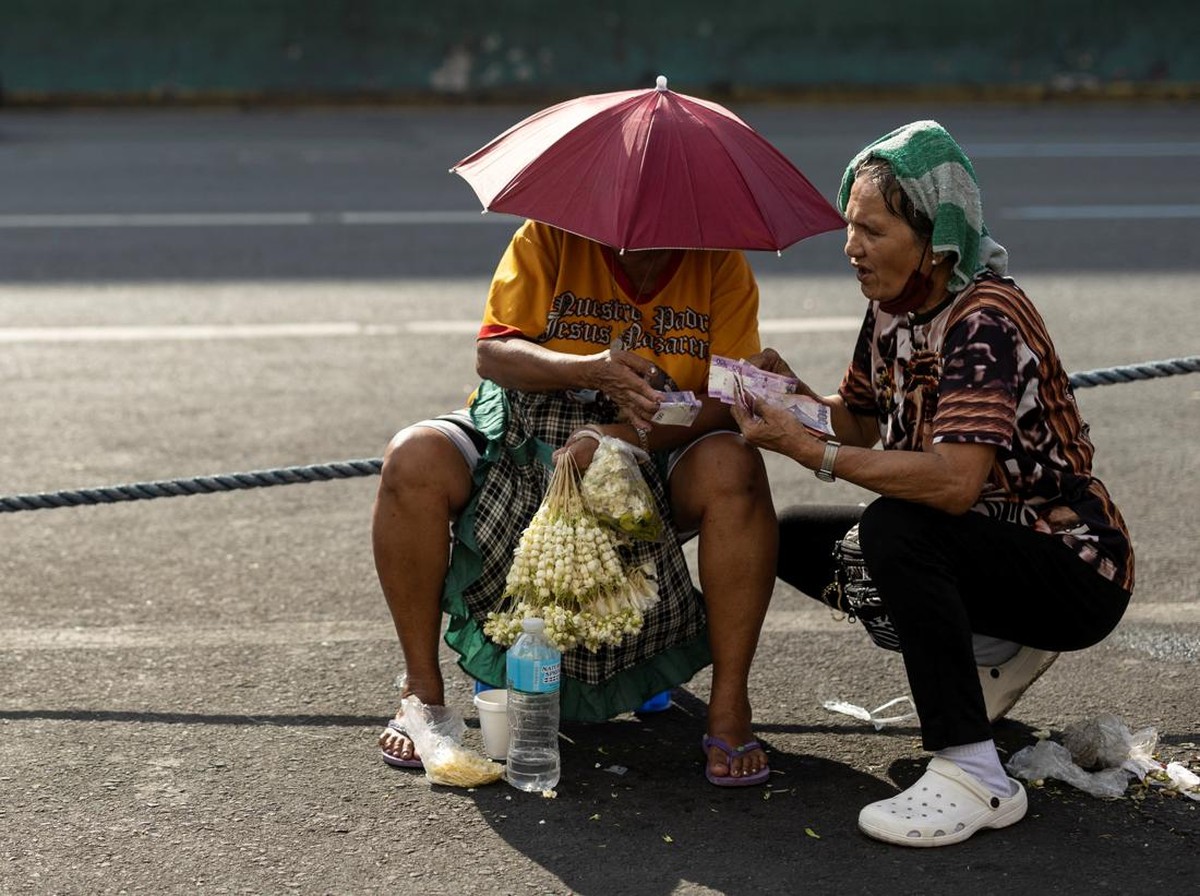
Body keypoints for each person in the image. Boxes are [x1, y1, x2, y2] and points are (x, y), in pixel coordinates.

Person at [731, 120, 1134, 845]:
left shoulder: (983, 319)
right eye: (849, 227)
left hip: (1071, 568)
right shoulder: (891, 306)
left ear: (935, 237)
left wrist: (807, 451)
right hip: (983, 548)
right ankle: (995, 651)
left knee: (896, 529)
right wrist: (790, 397)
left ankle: (974, 772)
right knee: (791, 540)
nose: (851, 248)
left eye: (872, 231)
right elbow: (854, 421)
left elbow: (952, 484)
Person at [374, 218, 777, 786]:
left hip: (654, 449)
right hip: (527, 445)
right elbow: (494, 355)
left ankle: (730, 706)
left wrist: (617, 436)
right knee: (411, 457)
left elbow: (730, 399)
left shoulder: (719, 261)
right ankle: (422, 692)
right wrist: (591, 370)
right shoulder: (548, 236)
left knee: (735, 463)